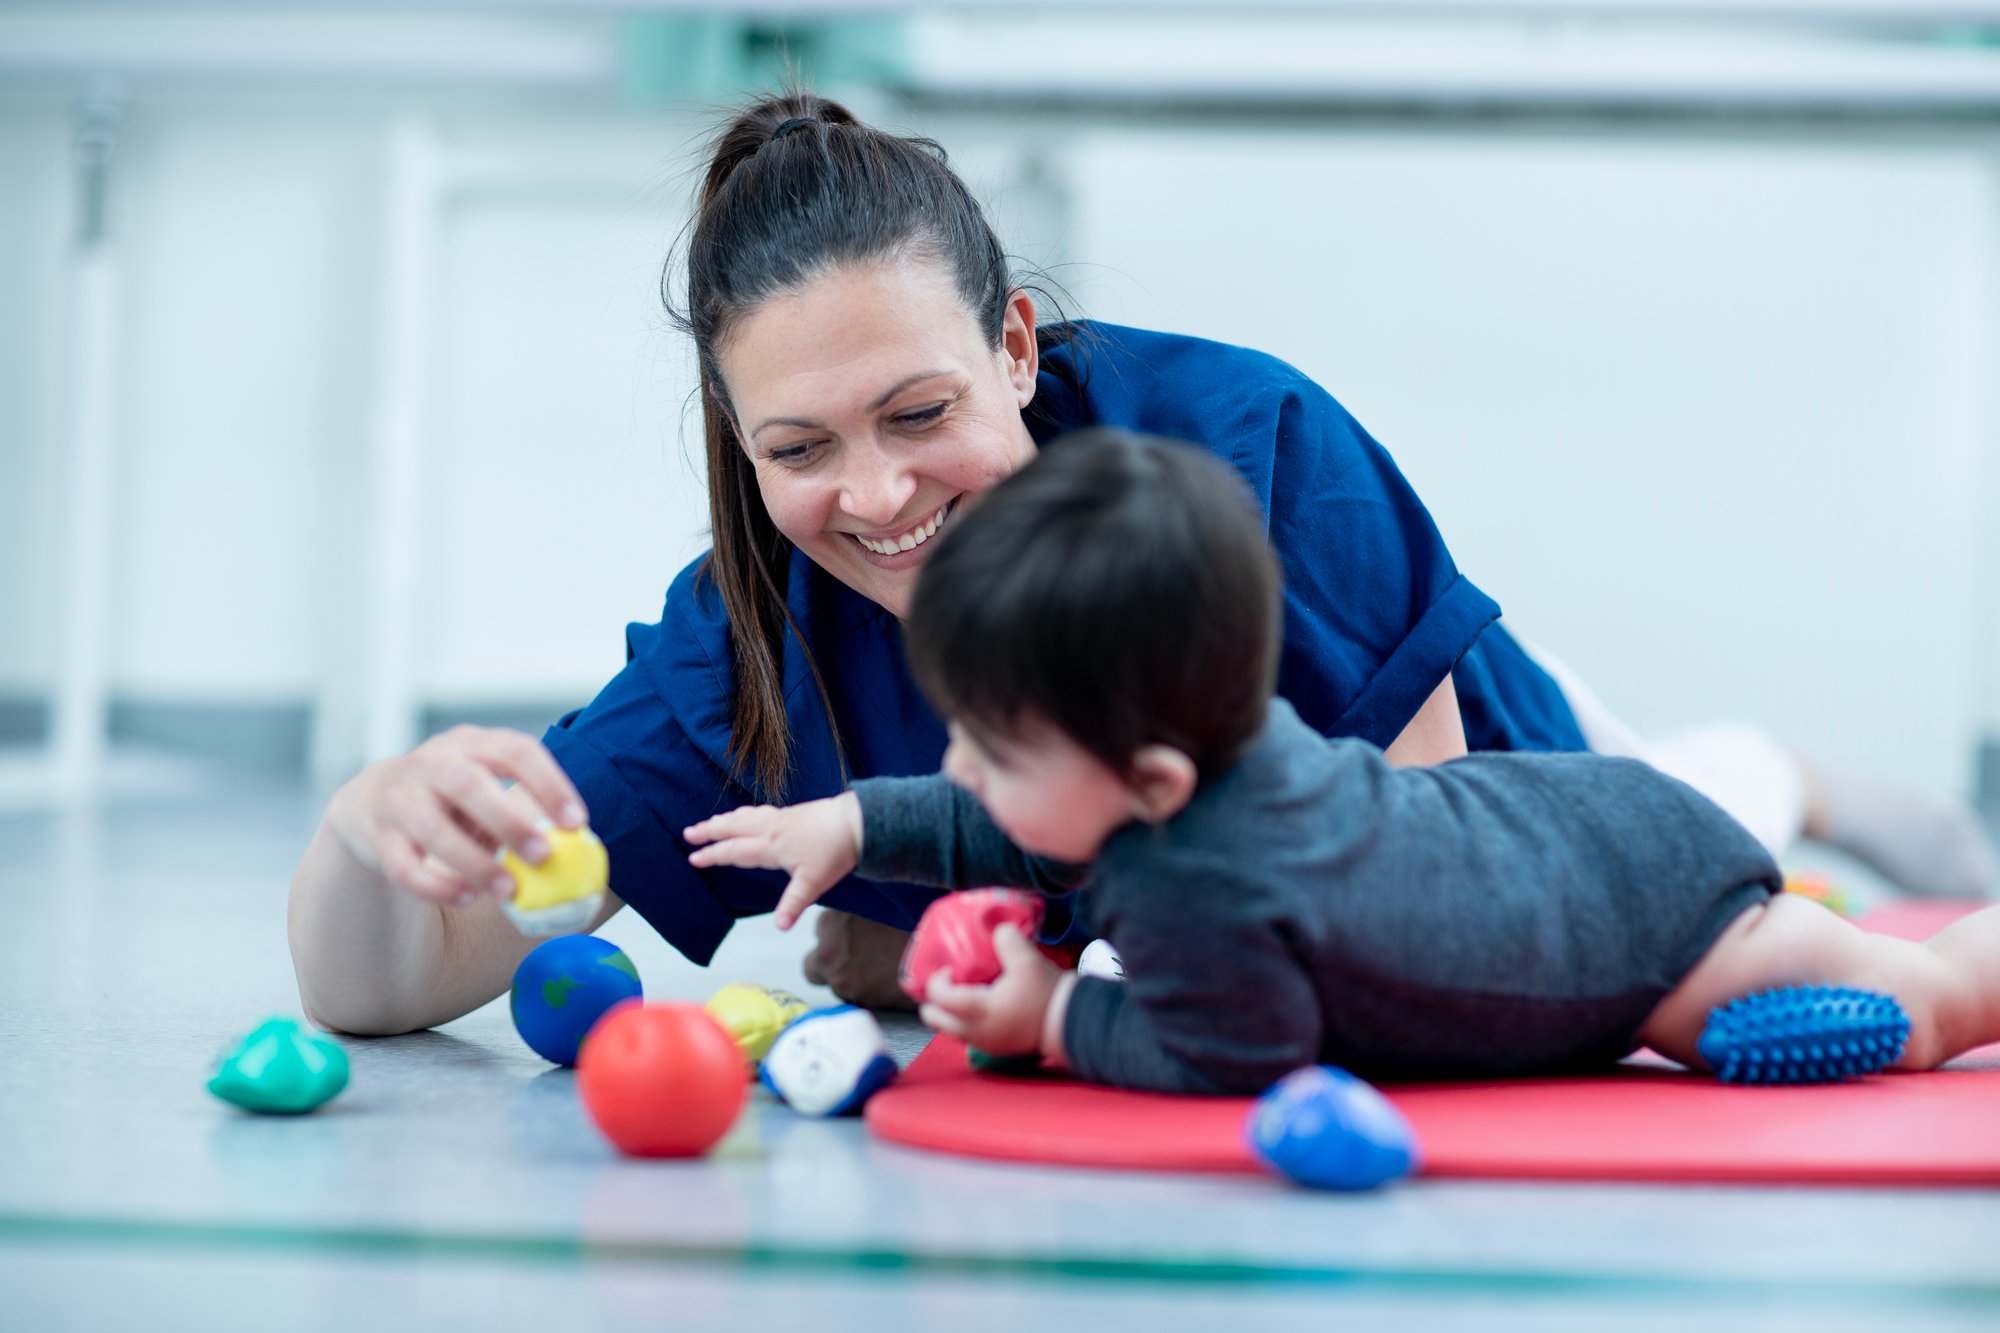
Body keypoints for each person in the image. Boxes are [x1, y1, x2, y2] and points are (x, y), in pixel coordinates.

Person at [287, 89, 1992, 1037]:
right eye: (797, 448)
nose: (875, 497)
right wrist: (380, 829)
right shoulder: (737, 654)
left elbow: (1412, 924)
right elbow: (380, 991)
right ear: (738, 443)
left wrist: (983, 952)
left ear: (1018, 343)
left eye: (919, 409)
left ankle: (1809, 773)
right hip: (1272, 899)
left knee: (1711, 809)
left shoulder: (1244, 454)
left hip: (1535, 835)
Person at [683, 431, 2000, 1093]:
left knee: (1919, 1012)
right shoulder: (1190, 757)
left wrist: (1054, 1019)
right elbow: (1026, 823)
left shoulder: (1213, 889)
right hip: (1579, 832)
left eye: (990, 742)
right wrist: (857, 826)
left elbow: (1240, 1046)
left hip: (1653, 912)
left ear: (1147, 782)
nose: (959, 764)